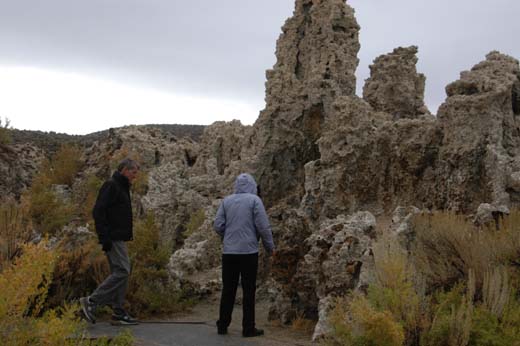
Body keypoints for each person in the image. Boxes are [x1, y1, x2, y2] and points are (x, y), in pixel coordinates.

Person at [214, 173, 275, 337]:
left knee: (228, 289)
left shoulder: (226, 201)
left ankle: (222, 325)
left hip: (229, 252)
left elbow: (218, 225)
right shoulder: (255, 201)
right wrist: (271, 248)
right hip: (248, 252)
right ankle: (248, 328)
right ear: (253, 186)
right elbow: (263, 227)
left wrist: (227, 237)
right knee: (249, 291)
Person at [80, 158, 140, 325]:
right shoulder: (111, 185)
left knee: (120, 273)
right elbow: (98, 211)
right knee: (123, 271)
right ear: (124, 170)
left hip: (118, 236)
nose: (135, 176)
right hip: (113, 237)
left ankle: (118, 312)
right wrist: (104, 237)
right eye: (133, 172)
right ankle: (91, 302)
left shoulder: (121, 187)